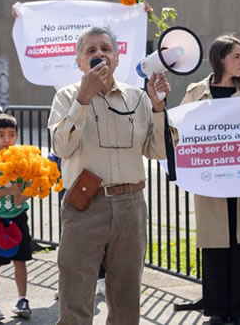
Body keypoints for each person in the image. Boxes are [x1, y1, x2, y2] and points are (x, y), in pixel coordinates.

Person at [48, 26, 176, 325]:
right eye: (90, 51)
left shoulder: (138, 97)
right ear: (79, 62)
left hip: (131, 206)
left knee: (126, 301)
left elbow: (158, 150)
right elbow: (61, 147)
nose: (99, 55)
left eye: (105, 49)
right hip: (85, 205)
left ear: (117, 58)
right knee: (75, 299)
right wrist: (84, 98)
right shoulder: (66, 97)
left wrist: (158, 108)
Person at [179, 35, 240, 324]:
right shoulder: (195, 93)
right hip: (211, 181)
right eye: (236, 56)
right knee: (216, 244)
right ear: (220, 59)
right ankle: (216, 310)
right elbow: (178, 129)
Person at [0, 113, 33, 323]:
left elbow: (29, 188)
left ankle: (22, 299)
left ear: (17, 136)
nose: (7, 139)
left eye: (11, 134)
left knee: (21, 261)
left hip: (18, 217)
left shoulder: (23, 161)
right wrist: (8, 190)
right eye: (1, 135)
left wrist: (22, 195)